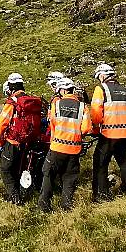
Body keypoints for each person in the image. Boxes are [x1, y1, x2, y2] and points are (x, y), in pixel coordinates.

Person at [38, 77, 92, 212]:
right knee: (69, 177)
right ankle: (66, 206)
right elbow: (86, 128)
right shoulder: (83, 107)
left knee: (48, 173)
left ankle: (44, 205)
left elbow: (52, 123)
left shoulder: (56, 105)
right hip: (74, 148)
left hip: (57, 146)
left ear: (62, 90)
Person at [90, 63, 126, 202]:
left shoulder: (101, 89)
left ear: (103, 75)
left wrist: (96, 127)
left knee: (100, 162)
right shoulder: (125, 89)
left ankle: (102, 194)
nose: (99, 79)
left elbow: (96, 112)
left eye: (99, 77)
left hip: (110, 132)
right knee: (123, 158)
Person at [0, 73, 43, 205]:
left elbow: (2, 123)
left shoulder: (12, 103)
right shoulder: (30, 101)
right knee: (19, 168)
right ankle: (22, 192)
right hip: (28, 142)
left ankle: (15, 197)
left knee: (5, 169)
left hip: (13, 142)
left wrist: (0, 141)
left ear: (11, 87)